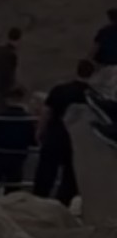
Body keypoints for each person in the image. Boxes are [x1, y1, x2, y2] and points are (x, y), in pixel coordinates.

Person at [33, 59, 94, 206]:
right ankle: (63, 205)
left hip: (56, 135)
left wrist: (39, 131)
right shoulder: (92, 95)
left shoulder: (60, 90)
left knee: (46, 172)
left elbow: (47, 113)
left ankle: (38, 202)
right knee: (71, 176)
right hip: (77, 140)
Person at [0, 86, 35, 197]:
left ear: (7, 100)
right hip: (17, 157)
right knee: (13, 190)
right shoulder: (29, 119)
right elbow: (32, 140)